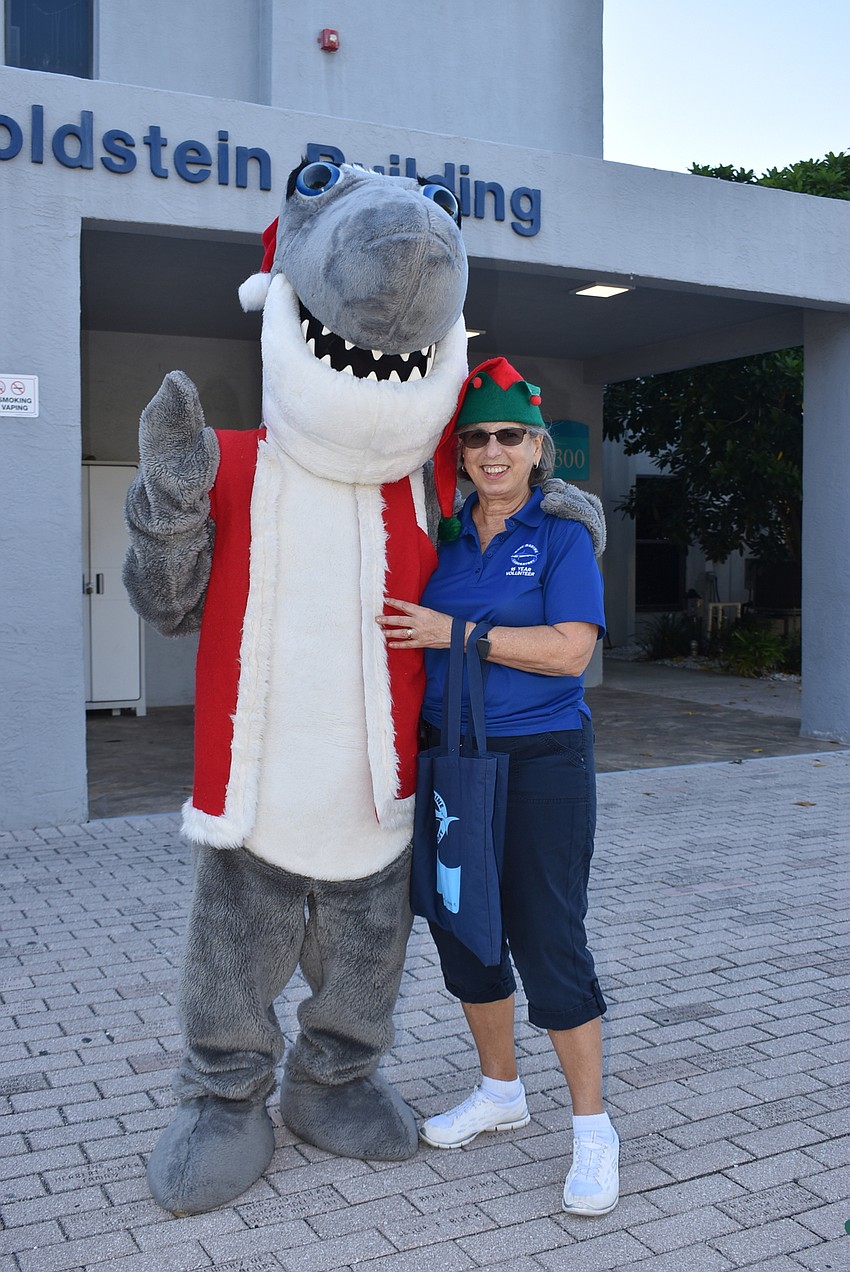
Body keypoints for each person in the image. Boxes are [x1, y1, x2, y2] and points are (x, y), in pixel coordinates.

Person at [377, 357, 618, 1216]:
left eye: (508, 436)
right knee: (466, 933)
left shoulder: (559, 535)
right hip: (451, 759)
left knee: (548, 936)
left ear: (536, 446)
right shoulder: (439, 537)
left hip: (543, 760)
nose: (490, 451)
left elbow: (569, 652)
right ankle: (500, 1090)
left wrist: (459, 632)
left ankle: (593, 1130)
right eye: (475, 436)